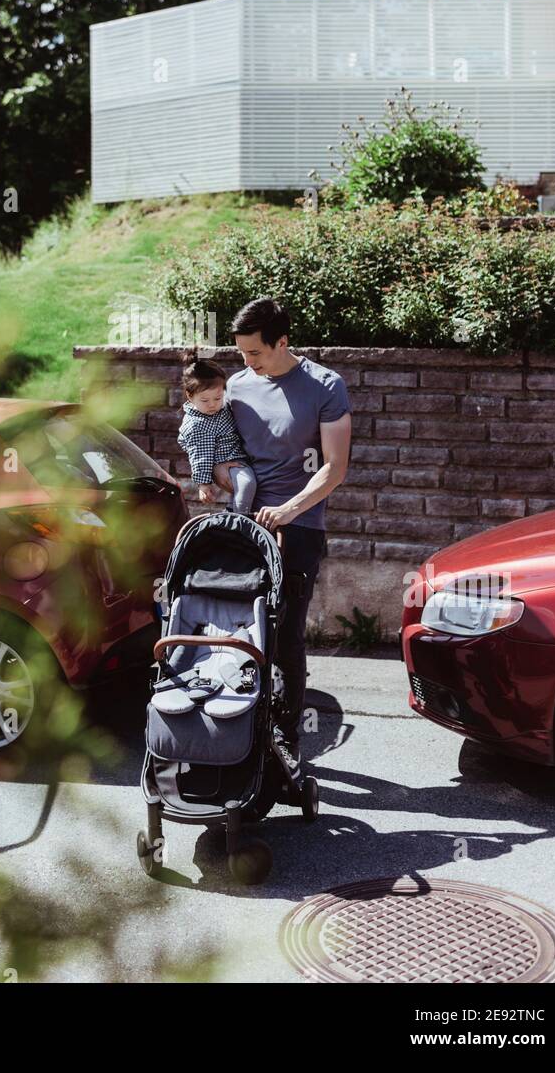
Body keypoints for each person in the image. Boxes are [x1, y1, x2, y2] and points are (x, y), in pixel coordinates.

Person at [219, 296, 352, 788]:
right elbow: (224, 453)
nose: (247, 363)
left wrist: (289, 511)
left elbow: (335, 468)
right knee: (238, 631)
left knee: (287, 636)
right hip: (244, 524)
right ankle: (236, 735)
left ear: (282, 342)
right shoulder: (235, 386)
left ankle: (287, 742)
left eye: (256, 353)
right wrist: (218, 478)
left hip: (298, 528)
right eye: (241, 354)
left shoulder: (325, 386)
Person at [176, 358, 257, 514]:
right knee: (247, 483)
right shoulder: (197, 424)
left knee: (242, 489)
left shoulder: (221, 408)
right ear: (190, 396)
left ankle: (232, 511)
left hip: (238, 456)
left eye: (218, 398)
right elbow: (200, 455)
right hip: (227, 462)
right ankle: (242, 519)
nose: (212, 404)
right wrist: (204, 484)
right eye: (205, 400)